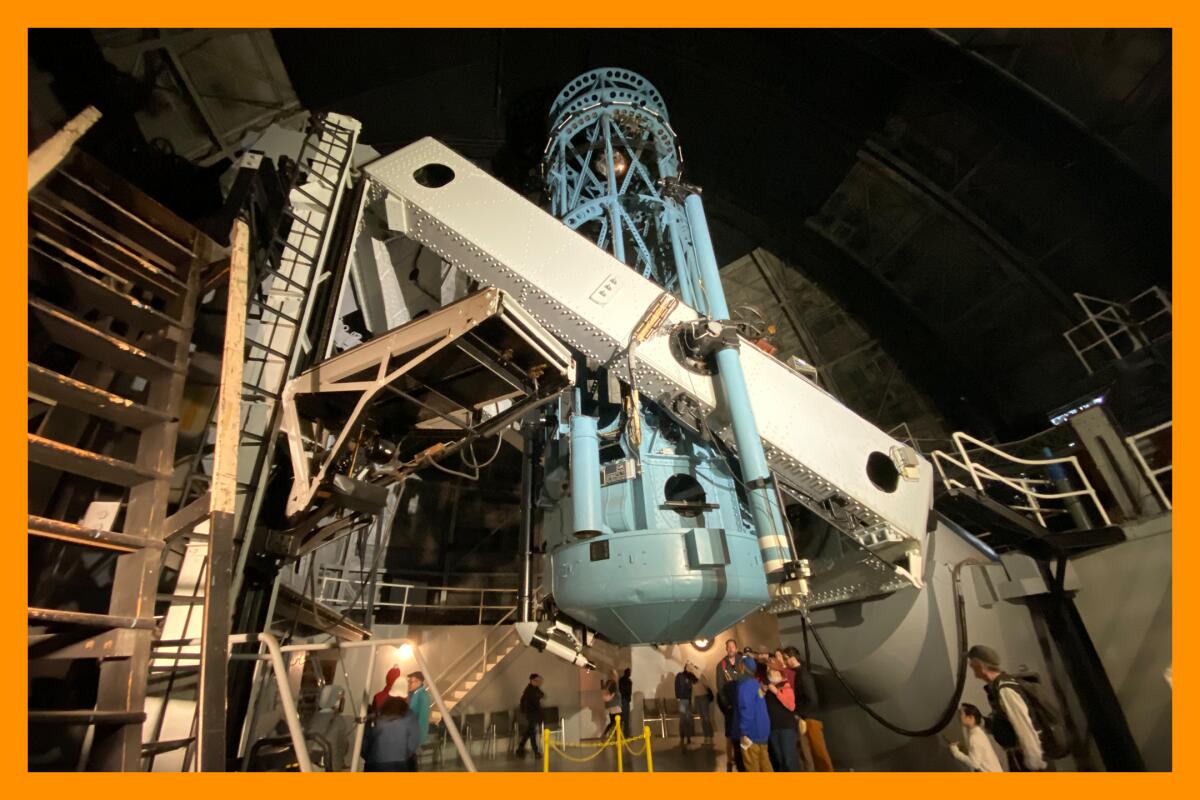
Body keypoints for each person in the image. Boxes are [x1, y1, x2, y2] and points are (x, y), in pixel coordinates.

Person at [968, 644, 1048, 772]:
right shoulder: (998, 687)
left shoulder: (1005, 690)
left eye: (972, 663)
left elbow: (1023, 725)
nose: (970, 666)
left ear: (979, 665)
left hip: (1027, 757)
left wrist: (1034, 762)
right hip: (1020, 755)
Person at [363, 696, 420, 771]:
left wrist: (369, 757)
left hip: (375, 764)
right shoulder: (409, 717)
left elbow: (365, 743)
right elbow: (413, 742)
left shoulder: (376, 719)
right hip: (399, 763)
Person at [736, 658, 773, 771]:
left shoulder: (745, 686)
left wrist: (744, 732)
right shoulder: (755, 684)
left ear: (743, 667)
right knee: (765, 764)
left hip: (751, 733)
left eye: (740, 665)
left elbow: (746, 710)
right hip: (762, 731)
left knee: (752, 766)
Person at [716, 638, 746, 771]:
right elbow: (720, 688)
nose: (730, 649)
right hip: (731, 706)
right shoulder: (721, 665)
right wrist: (727, 706)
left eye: (732, 646)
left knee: (745, 732)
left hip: (744, 705)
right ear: (726, 648)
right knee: (731, 734)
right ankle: (731, 759)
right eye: (728, 647)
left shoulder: (743, 662)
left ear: (736, 648)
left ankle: (745, 757)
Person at [764, 667, 801, 771]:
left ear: (781, 674)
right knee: (779, 759)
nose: (773, 675)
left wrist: (776, 692)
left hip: (786, 727)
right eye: (770, 673)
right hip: (773, 728)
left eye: (775, 672)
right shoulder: (767, 689)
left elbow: (791, 706)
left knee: (789, 759)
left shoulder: (785, 686)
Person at [307, 684, 352, 771]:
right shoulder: (339, 720)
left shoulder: (313, 718)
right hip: (330, 766)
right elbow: (344, 747)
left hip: (310, 764)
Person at [950, 703, 1004, 772]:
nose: (959, 716)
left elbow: (975, 764)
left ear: (970, 717)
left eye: (961, 714)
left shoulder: (975, 737)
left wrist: (956, 752)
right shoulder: (977, 732)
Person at [405, 671, 431, 770]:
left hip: (414, 737)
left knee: (411, 765)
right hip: (409, 735)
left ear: (419, 682)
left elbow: (422, 720)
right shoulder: (413, 694)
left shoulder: (422, 696)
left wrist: (417, 740)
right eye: (409, 682)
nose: (410, 684)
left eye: (413, 682)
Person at [515, 673, 545, 758]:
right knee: (532, 733)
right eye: (537, 681)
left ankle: (520, 748)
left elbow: (541, 694)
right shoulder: (529, 691)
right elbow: (534, 702)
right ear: (532, 681)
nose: (539, 682)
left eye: (539, 681)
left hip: (534, 714)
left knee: (529, 732)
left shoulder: (535, 689)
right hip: (531, 714)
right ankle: (536, 752)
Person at [675, 663, 697, 747]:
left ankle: (688, 738)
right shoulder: (680, 675)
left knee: (688, 719)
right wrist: (678, 696)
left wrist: (694, 671)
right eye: (689, 666)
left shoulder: (691, 676)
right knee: (683, 719)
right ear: (685, 667)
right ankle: (682, 738)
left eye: (691, 667)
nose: (690, 668)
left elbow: (697, 681)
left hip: (689, 699)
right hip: (683, 699)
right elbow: (676, 686)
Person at [693, 669, 716, 744]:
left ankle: (710, 735)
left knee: (706, 717)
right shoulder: (691, 678)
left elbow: (707, 686)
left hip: (703, 697)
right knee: (702, 718)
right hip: (697, 698)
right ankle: (706, 736)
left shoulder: (701, 676)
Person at [618, 668, 633, 737]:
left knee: (623, 718)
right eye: (629, 672)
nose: (630, 674)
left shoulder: (622, 680)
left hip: (623, 700)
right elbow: (625, 691)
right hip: (625, 700)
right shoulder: (627, 681)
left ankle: (621, 734)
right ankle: (626, 734)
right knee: (625, 718)